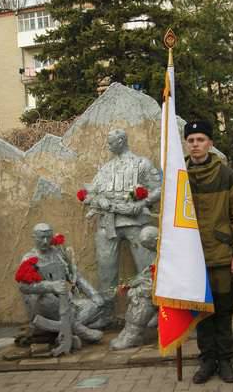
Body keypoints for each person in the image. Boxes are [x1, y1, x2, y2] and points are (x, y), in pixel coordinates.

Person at [183, 121, 233, 384]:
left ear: (210, 143)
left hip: (221, 254)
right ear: (187, 144)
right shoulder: (179, 177)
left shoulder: (227, 176)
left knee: (222, 310)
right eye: (191, 140)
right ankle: (207, 360)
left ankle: (225, 360)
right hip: (192, 257)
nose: (196, 144)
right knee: (200, 313)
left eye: (200, 139)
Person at [83, 129, 162, 326]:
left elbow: (159, 188)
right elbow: (90, 192)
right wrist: (97, 200)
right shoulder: (105, 169)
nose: (108, 146)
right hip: (108, 224)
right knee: (106, 270)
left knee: (148, 269)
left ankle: (156, 310)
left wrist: (142, 203)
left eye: (111, 142)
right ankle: (107, 314)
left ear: (121, 141)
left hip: (135, 223)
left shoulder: (141, 164)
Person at [16, 223, 104, 355]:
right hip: (43, 303)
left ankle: (65, 332)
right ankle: (81, 330)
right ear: (34, 237)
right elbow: (23, 287)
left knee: (94, 306)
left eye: (48, 237)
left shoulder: (58, 253)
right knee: (49, 300)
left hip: (66, 301)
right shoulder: (29, 259)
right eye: (41, 238)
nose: (45, 241)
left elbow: (75, 276)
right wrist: (49, 286)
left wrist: (93, 294)